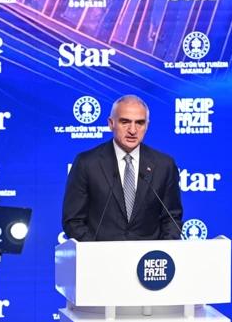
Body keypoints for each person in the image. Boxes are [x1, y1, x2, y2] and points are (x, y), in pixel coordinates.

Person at [62, 95, 183, 241]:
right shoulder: (87, 163)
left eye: (139, 123)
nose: (132, 130)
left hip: (149, 254)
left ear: (147, 126)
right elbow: (73, 221)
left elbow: (172, 219)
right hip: (101, 253)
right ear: (111, 123)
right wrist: (95, 250)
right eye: (125, 122)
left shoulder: (164, 165)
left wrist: (160, 251)